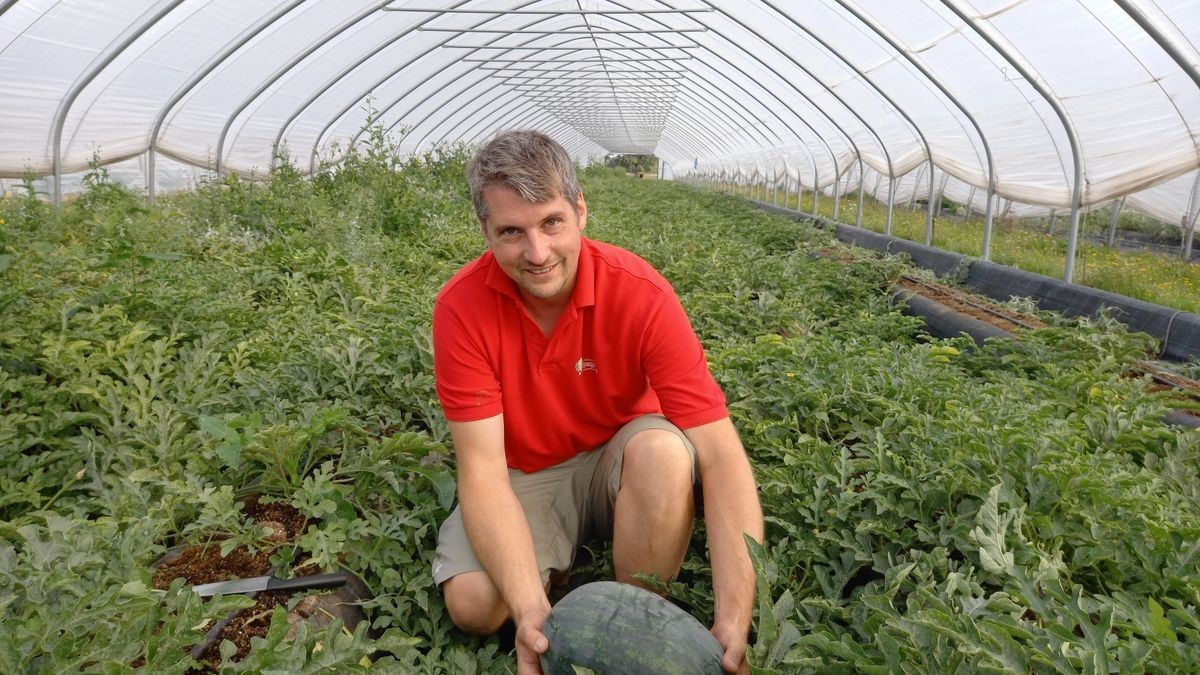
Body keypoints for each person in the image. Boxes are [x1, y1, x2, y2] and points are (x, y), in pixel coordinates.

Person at [431, 130, 763, 675]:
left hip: (620, 455)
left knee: (664, 453)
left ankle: (629, 615)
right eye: (512, 232)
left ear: (581, 211)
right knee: (473, 604)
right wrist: (530, 609)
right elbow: (483, 470)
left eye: (551, 223)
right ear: (485, 230)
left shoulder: (639, 294)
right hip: (525, 472)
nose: (536, 254)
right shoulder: (461, 309)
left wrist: (734, 618)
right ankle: (551, 573)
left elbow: (722, 457)